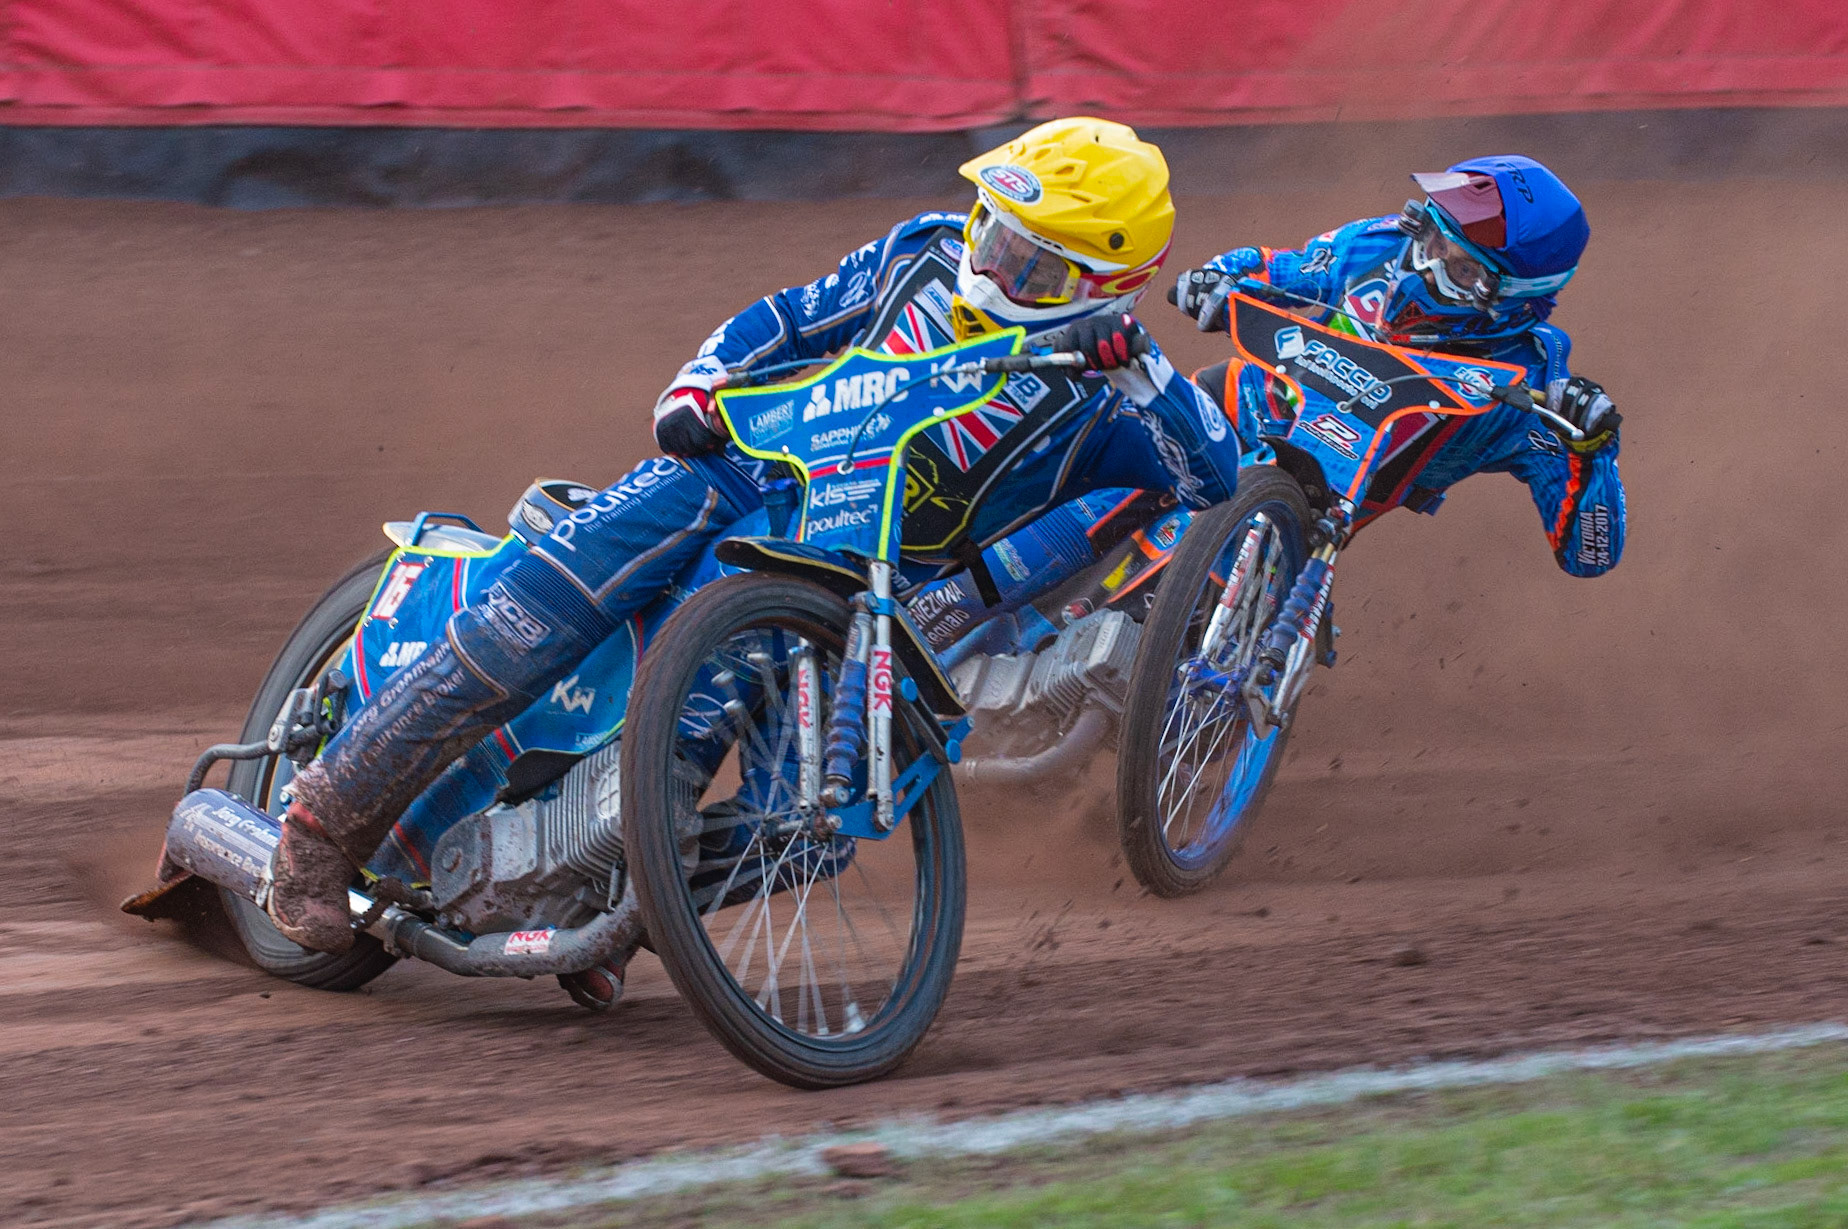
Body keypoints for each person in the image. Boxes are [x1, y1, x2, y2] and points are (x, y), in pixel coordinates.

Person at [265, 118, 1243, 993]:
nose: (990, 268)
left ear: (1103, 290)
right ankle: (317, 831)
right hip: (735, 471)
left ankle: (613, 904)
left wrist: (1147, 368)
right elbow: (792, 316)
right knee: (529, 621)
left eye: (1029, 263)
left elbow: (1215, 473)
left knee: (806, 829)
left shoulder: (1107, 411)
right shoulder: (923, 251)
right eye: (993, 231)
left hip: (843, 593)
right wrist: (700, 382)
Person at [1172, 155, 1625, 574]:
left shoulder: (1528, 384)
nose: (1427, 268)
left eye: (1464, 271)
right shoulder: (1380, 245)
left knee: (1248, 616)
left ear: (1514, 299)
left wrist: (1592, 450)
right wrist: (1217, 277)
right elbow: (1283, 268)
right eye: (1435, 242)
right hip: (1233, 407)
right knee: (1138, 434)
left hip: (1309, 523)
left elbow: (1590, 555)